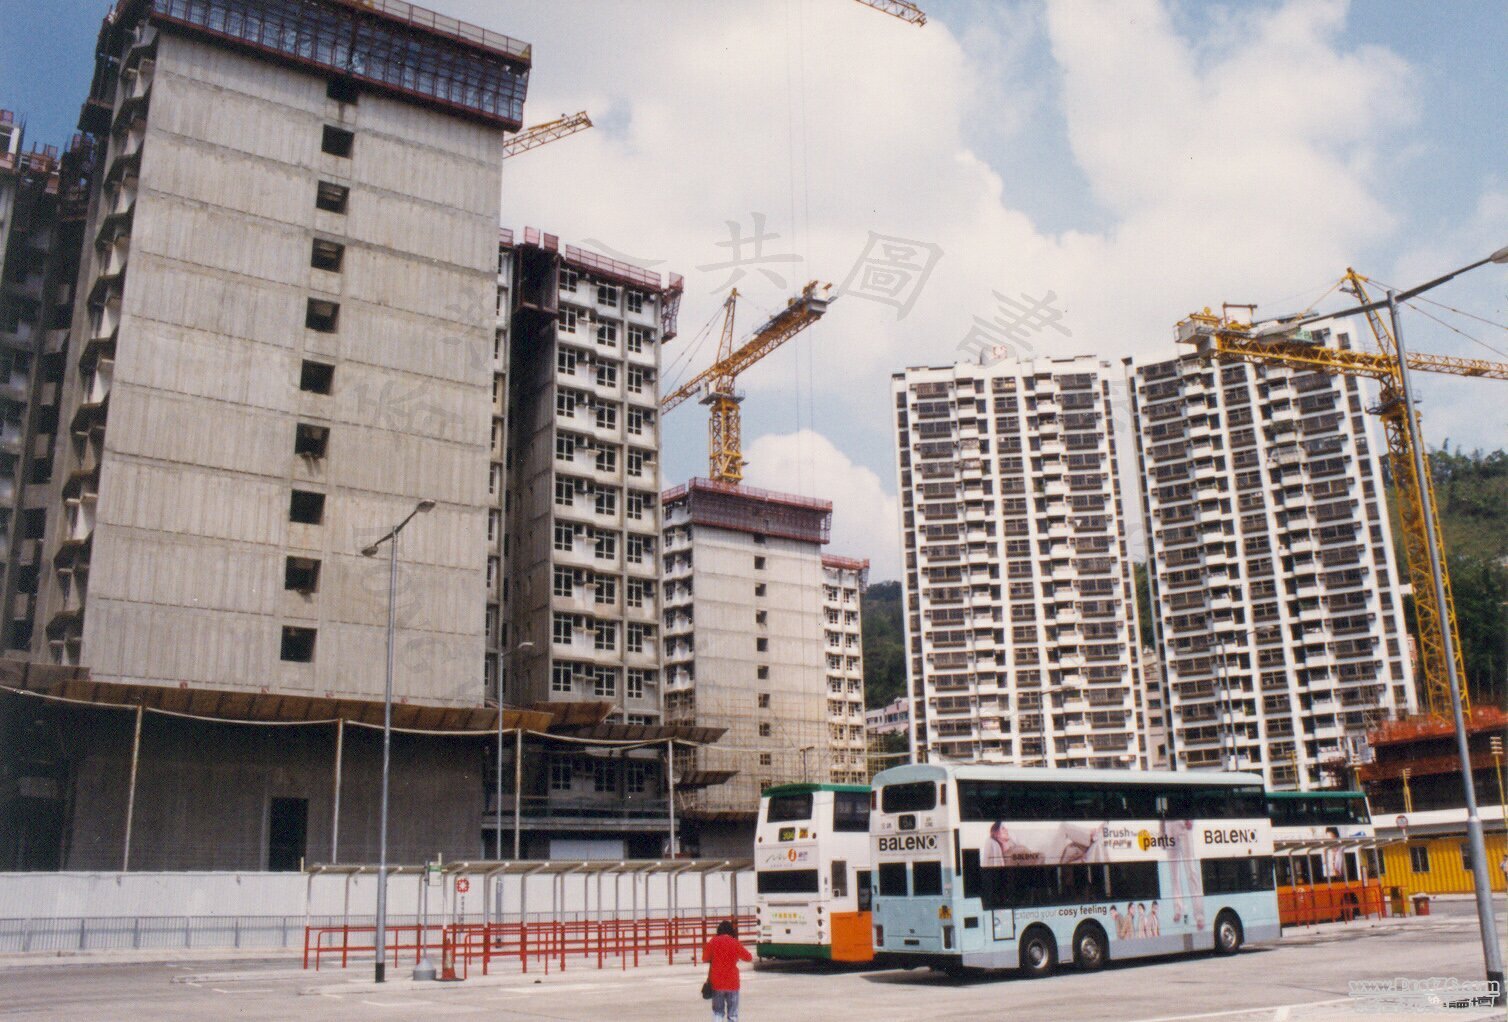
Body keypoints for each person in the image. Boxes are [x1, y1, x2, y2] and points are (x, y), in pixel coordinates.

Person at [704, 919, 751, 1022]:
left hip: (716, 982)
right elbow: (748, 957)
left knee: (718, 1012)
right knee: (733, 1014)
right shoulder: (735, 942)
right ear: (731, 931)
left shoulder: (713, 941)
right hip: (732, 983)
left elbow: (705, 958)